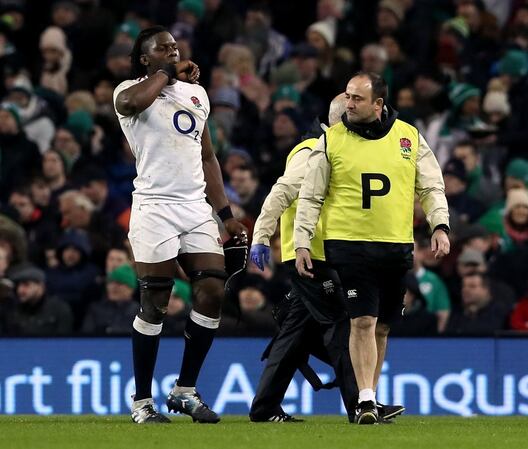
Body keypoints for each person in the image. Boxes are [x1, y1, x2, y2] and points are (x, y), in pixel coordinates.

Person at [294, 72, 450, 424]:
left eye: (357, 98)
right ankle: (364, 400)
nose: (349, 103)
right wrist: (302, 240)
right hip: (349, 245)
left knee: (382, 326)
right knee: (362, 320)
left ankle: (371, 398)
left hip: (395, 246)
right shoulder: (331, 140)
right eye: (347, 97)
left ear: (378, 104)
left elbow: (431, 186)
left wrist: (439, 225)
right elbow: (311, 194)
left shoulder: (408, 137)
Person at [113, 26, 247, 424]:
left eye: (175, 46)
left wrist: (225, 214)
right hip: (153, 206)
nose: (173, 51)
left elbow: (208, 157)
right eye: (163, 48)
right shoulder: (128, 90)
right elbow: (134, 102)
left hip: (194, 206)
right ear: (145, 58)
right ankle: (141, 401)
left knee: (211, 291)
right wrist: (169, 74)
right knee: (156, 301)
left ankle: (184, 391)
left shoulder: (197, 95)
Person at [248, 94, 403, 423]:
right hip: (309, 255)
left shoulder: (335, 150)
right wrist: (261, 235)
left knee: (295, 333)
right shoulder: (311, 150)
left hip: (320, 253)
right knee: (341, 324)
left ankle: (264, 408)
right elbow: (282, 190)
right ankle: (361, 405)